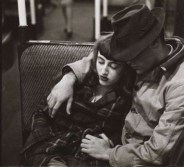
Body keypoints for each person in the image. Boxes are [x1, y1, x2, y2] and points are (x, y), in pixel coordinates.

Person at [47, 5, 184, 167]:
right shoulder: (143, 58)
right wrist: (68, 78)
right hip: (121, 142)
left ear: (155, 43)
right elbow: (97, 58)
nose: (127, 61)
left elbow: (158, 151)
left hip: (145, 159)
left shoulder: (182, 86)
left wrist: (110, 153)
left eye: (132, 55)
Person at [20, 36, 135, 166]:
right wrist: (43, 135)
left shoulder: (124, 99)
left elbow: (123, 132)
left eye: (113, 66)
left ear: (125, 69)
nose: (104, 71)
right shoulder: (78, 81)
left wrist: (111, 144)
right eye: (101, 62)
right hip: (53, 142)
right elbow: (42, 112)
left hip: (89, 152)